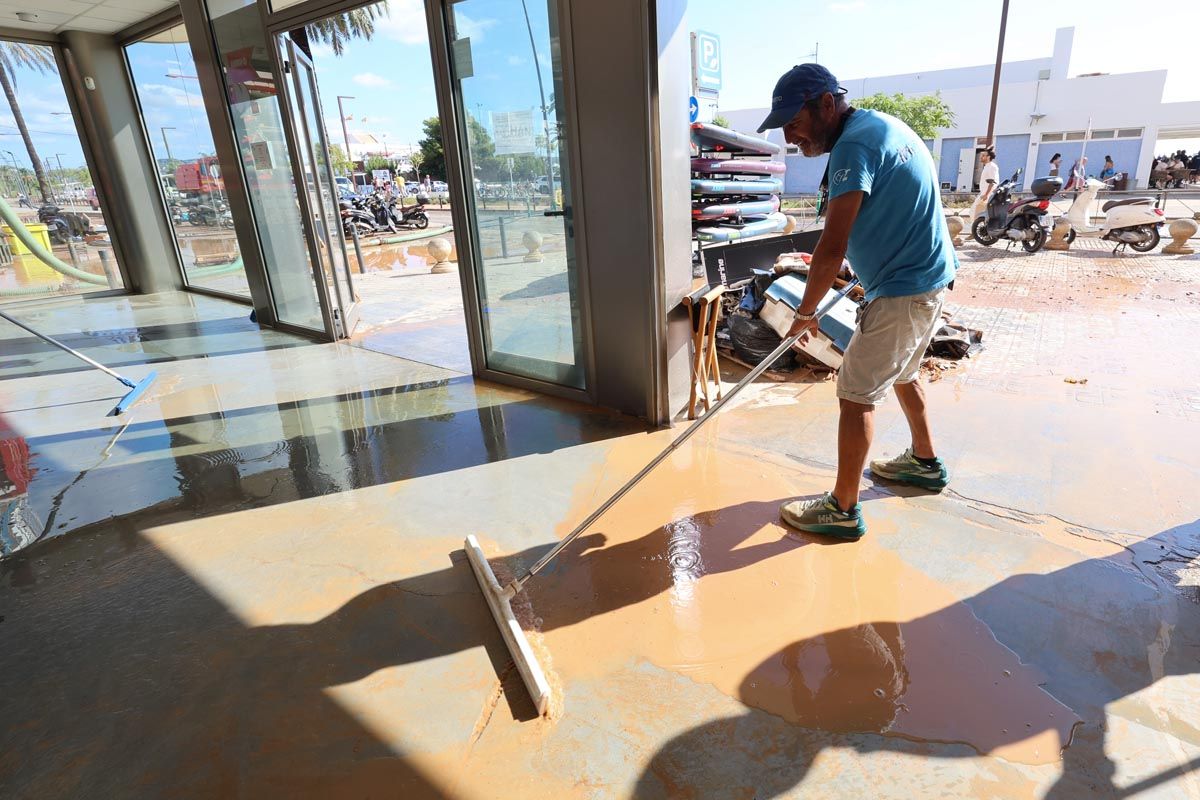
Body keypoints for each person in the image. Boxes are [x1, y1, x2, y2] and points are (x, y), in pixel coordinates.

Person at [756, 63, 956, 540]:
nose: (790, 135)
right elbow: (883, 213)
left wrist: (805, 313)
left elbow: (833, 243)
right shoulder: (878, 126)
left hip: (905, 288)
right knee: (903, 371)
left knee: (855, 392)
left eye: (795, 121)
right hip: (926, 277)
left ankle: (843, 510)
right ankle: (924, 462)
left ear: (827, 103)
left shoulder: (854, 144)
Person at [970, 147, 999, 221]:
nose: (981, 157)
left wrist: (986, 194)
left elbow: (992, 182)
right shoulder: (987, 166)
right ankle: (977, 229)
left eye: (983, 155)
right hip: (984, 193)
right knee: (978, 212)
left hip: (988, 195)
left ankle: (976, 229)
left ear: (988, 157)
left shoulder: (992, 167)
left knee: (975, 211)